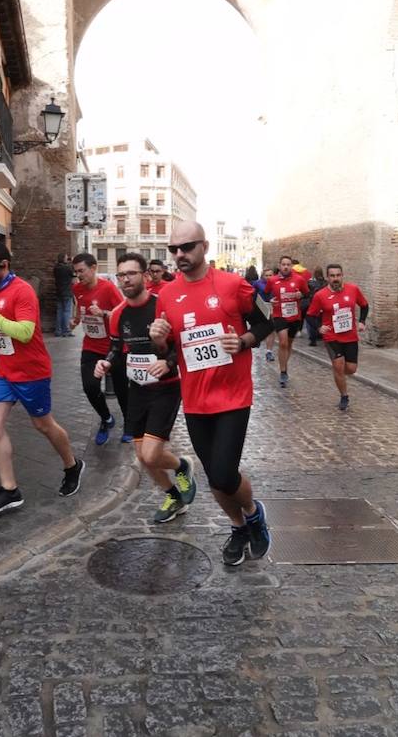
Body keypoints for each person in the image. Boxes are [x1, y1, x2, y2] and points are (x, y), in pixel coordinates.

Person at [150, 221, 273, 567]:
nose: (179, 255)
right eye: (174, 249)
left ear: (204, 246)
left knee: (222, 473)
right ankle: (238, 528)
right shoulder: (168, 296)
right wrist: (160, 342)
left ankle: (252, 512)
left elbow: (268, 320)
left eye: (187, 247)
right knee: (213, 474)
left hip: (234, 396)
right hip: (195, 400)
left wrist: (245, 340)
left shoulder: (235, 285)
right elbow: (173, 354)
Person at [0, 240, 84, 516]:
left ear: (3, 264)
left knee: (43, 425)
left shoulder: (23, 291)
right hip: (4, 371)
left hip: (32, 372)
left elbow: (26, 333)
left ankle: (72, 464)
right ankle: (9, 490)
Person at [94, 252, 196, 523]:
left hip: (167, 387)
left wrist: (168, 364)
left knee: (150, 454)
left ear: (145, 276)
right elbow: (116, 348)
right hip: (137, 387)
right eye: (121, 275)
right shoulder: (117, 314)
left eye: (131, 273)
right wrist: (106, 363)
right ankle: (173, 495)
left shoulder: (162, 306)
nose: (125, 279)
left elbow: (181, 344)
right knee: (142, 455)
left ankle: (182, 466)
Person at [71, 252, 129, 444]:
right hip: (91, 345)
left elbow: (123, 314)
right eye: (76, 271)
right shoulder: (77, 288)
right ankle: (106, 418)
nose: (79, 275)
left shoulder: (109, 289)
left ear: (94, 268)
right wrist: (75, 321)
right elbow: (79, 308)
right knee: (90, 386)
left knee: (121, 388)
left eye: (82, 271)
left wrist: (103, 313)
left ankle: (130, 424)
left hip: (112, 346)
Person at [306, 264, 369, 411]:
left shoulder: (353, 289)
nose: (335, 278)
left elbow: (365, 306)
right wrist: (319, 327)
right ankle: (344, 396)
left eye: (338, 275)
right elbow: (310, 315)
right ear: (327, 277)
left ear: (342, 276)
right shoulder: (320, 295)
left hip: (350, 336)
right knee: (339, 365)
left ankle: (338, 374)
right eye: (332, 276)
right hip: (332, 336)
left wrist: (362, 321)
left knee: (351, 369)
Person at [264, 256, 309, 387]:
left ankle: (284, 365)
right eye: (283, 264)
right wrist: (270, 300)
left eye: (288, 264)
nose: (286, 267)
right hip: (279, 315)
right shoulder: (272, 280)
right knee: (283, 343)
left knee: (288, 344)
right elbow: (266, 293)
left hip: (295, 317)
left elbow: (307, 293)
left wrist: (301, 295)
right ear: (279, 266)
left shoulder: (299, 279)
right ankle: (283, 371)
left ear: (291, 266)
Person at [53, 252, 74, 337]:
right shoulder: (67, 268)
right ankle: (66, 331)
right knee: (67, 312)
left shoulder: (56, 268)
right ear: (63, 258)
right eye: (66, 257)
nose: (67, 258)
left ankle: (58, 331)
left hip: (59, 292)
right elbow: (73, 274)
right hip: (67, 292)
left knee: (59, 311)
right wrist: (72, 262)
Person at [306, 266, 327, 345]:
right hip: (323, 304)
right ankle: (322, 336)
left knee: (311, 321)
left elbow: (307, 293)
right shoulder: (325, 282)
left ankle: (313, 339)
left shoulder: (310, 282)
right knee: (322, 320)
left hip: (314, 304)